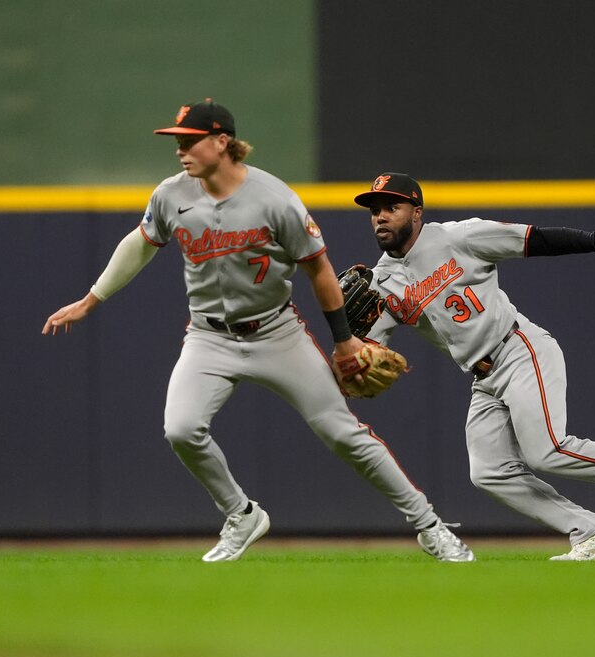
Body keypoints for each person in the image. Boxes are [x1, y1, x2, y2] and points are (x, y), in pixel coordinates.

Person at [42, 100, 474, 563]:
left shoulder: (275, 199)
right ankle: (241, 514)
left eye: (190, 140)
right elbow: (141, 243)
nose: (180, 150)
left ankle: (430, 526)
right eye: (178, 142)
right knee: (182, 430)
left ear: (222, 141)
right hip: (208, 338)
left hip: (277, 334)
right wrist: (90, 300)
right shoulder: (171, 195)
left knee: (343, 433)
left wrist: (345, 339)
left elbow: (320, 271)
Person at [351, 173, 595, 561]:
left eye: (391, 207)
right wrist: (350, 343)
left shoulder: (459, 237)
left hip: (518, 350)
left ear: (416, 212)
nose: (380, 216)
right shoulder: (380, 282)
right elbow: (366, 350)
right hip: (483, 377)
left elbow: (534, 238)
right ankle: (592, 530)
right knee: (488, 471)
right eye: (374, 210)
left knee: (547, 450)